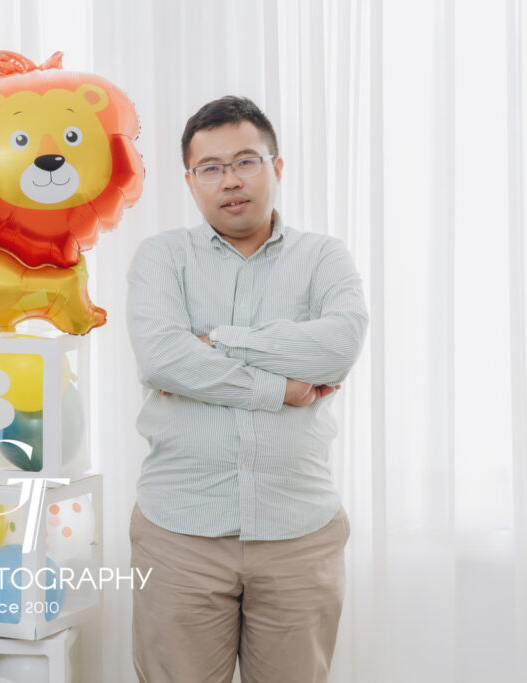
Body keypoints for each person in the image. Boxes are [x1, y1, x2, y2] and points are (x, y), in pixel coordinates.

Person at [125, 96, 369, 683]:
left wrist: (216, 340)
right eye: (210, 167)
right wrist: (280, 388)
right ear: (190, 181)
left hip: (298, 532)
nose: (230, 181)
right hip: (179, 531)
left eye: (246, 162)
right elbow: (162, 359)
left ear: (276, 167)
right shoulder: (162, 257)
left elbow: (338, 347)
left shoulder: (324, 257)